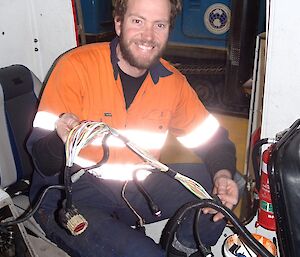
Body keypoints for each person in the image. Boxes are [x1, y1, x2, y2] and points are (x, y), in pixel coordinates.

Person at [27, 0, 239, 256]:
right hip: (69, 197)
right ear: (119, 23)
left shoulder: (172, 83)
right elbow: (42, 162)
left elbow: (215, 142)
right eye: (138, 21)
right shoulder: (76, 68)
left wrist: (223, 176)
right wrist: (61, 139)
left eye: (159, 25)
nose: (148, 36)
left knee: (216, 188)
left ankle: (181, 250)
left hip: (134, 189)